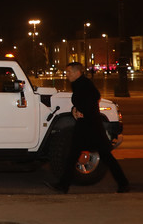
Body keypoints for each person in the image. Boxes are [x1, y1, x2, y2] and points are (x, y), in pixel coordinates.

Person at [47, 62, 130, 193]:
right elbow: (84, 101)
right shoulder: (79, 84)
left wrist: (83, 111)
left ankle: (124, 183)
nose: (67, 74)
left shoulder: (84, 84)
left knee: (104, 156)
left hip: (91, 126)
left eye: (69, 72)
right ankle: (63, 185)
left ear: (77, 72)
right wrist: (76, 109)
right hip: (86, 125)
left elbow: (93, 98)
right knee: (74, 155)